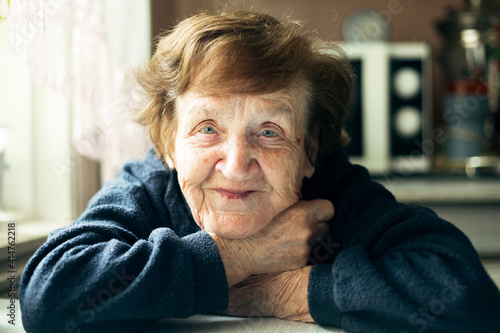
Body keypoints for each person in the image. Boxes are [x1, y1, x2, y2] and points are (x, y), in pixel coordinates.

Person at [20, 11, 500, 333]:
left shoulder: (333, 192)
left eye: (269, 131)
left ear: (309, 149)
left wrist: (283, 292)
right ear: (167, 141)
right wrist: (240, 255)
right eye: (207, 128)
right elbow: (48, 296)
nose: (235, 164)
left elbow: (469, 299)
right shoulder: (148, 187)